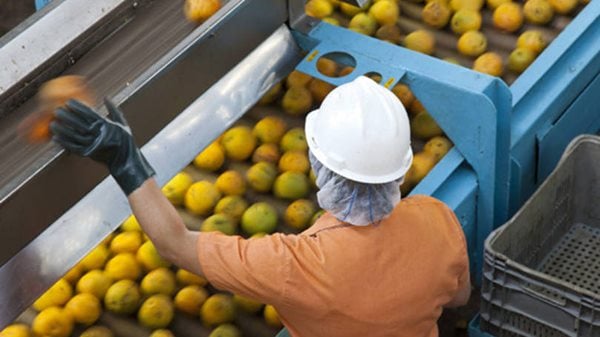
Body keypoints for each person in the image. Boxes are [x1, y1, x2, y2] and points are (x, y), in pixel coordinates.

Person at [50, 76, 470, 337]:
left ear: (315, 162)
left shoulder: (295, 266)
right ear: (400, 170)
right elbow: (458, 297)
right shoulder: (438, 219)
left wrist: (125, 159)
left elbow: (174, 243)